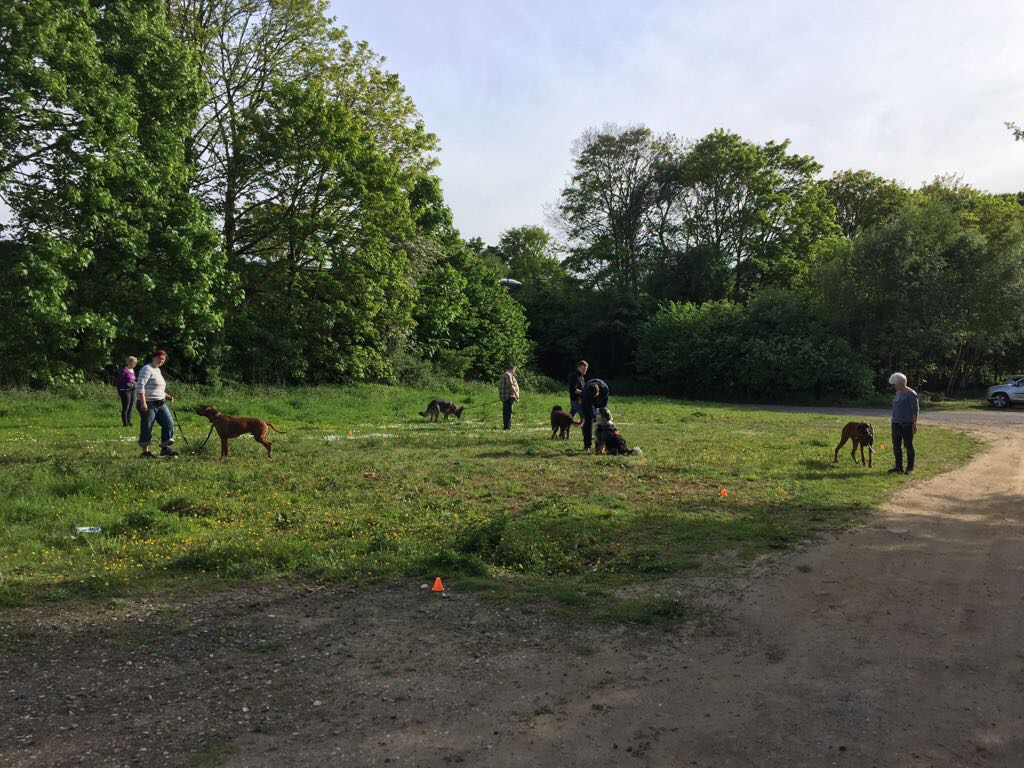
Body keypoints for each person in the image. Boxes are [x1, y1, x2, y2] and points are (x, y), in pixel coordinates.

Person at [136, 347, 177, 458]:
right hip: (148, 403)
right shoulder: (146, 369)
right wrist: (143, 403)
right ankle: (145, 452)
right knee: (147, 426)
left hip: (161, 403)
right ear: (154, 357)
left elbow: (157, 389)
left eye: (163, 359)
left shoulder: (157, 370)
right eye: (159, 358)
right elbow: (140, 387)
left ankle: (165, 449)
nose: (161, 361)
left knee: (169, 423)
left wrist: (167, 396)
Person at [888, 372, 919, 474]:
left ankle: (910, 468)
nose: (893, 387)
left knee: (908, 446)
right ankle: (898, 467)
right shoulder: (898, 392)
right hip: (896, 423)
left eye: (894, 385)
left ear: (900, 384)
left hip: (907, 424)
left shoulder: (911, 394)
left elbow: (915, 411)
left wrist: (914, 424)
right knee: (896, 446)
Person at [580, 377, 609, 452]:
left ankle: (602, 444)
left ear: (598, 390)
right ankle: (587, 445)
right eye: (593, 396)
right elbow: (589, 407)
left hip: (600, 401)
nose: (594, 397)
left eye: (595, 395)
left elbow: (604, 404)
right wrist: (595, 417)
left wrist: (602, 414)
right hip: (586, 402)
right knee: (588, 422)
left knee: (603, 423)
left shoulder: (605, 388)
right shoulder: (586, 392)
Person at [116, 356, 138, 427]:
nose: (135, 364)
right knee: (126, 406)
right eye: (134, 362)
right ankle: (125, 423)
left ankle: (129, 421)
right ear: (129, 362)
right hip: (125, 390)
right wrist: (127, 383)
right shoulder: (124, 370)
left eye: (136, 362)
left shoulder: (133, 370)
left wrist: (134, 383)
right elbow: (119, 381)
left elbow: (132, 379)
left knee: (131, 406)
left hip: (132, 390)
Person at [498, 364, 520, 430]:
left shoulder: (504, 374)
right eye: (514, 370)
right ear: (512, 368)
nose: (514, 371)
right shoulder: (508, 374)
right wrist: (516, 394)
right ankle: (507, 428)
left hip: (506, 396)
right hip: (508, 397)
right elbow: (510, 385)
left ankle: (506, 427)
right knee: (508, 412)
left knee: (506, 412)